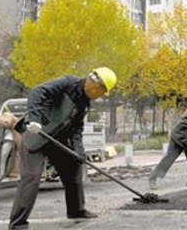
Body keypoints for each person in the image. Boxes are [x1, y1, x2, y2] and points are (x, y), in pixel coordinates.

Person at [9, 67, 117, 230]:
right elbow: (37, 92)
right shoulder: (67, 83)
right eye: (101, 92)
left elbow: (77, 130)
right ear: (96, 86)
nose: (100, 96)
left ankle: (76, 210)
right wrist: (35, 119)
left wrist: (79, 152)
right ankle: (18, 224)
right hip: (36, 133)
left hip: (56, 140)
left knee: (74, 167)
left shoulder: (84, 104)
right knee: (32, 177)